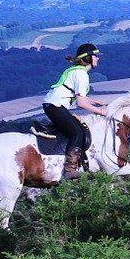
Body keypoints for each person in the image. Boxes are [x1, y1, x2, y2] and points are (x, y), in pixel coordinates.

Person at [42, 43, 108, 179]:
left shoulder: (77, 71)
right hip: (56, 105)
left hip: (52, 104)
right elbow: (81, 103)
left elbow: (80, 97)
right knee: (77, 132)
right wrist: (101, 112)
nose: (98, 58)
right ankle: (70, 169)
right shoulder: (81, 74)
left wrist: (95, 102)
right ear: (88, 58)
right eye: (95, 56)